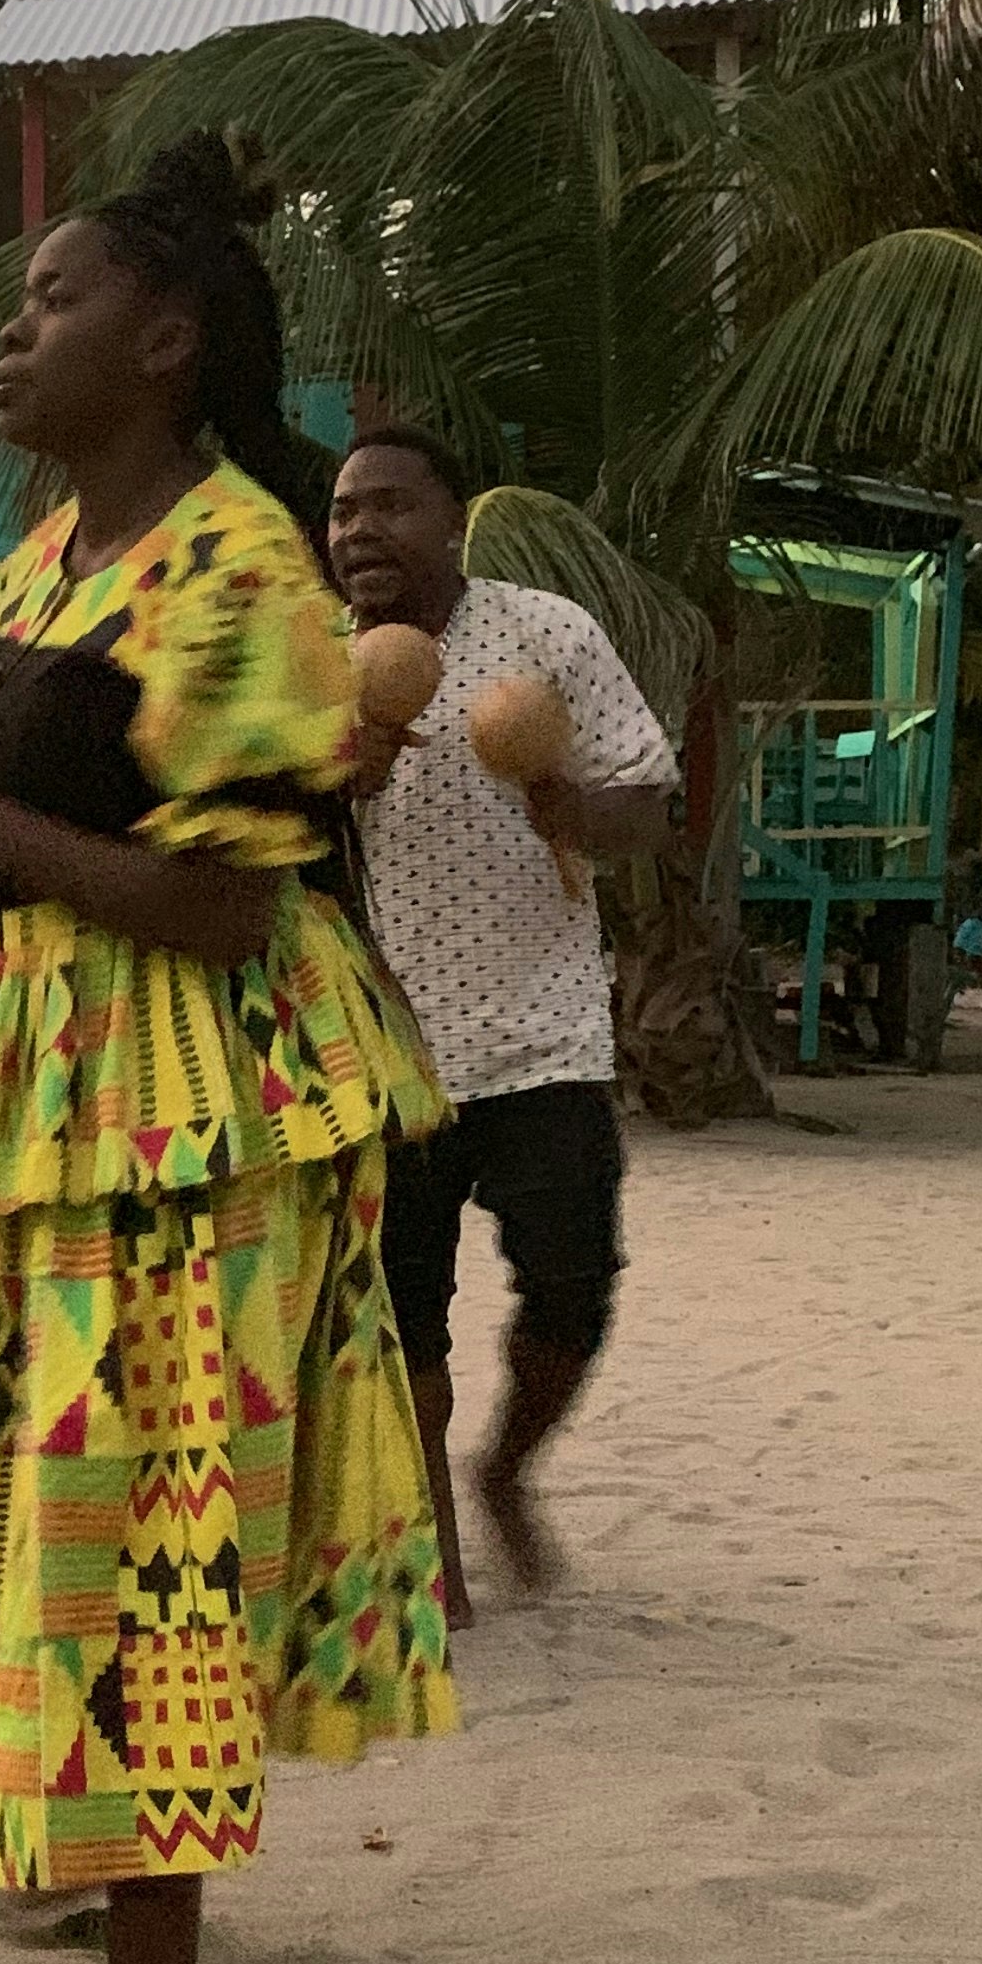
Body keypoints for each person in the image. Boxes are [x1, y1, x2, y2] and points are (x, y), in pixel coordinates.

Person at [0, 135, 456, 1964]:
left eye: (53, 300)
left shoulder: (248, 563)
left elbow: (230, 901)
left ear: (163, 341)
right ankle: (94, 1861)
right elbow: (35, 870)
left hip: (200, 1111)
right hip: (45, 1081)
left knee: (154, 1512)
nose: (12, 333)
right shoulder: (25, 568)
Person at [329, 424, 684, 1613]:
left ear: (452, 521)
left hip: (547, 1033)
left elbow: (648, 800)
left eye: (389, 507)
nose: (360, 532)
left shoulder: (546, 632)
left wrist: (565, 801)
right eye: (341, 512)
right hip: (383, 1047)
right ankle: (432, 1552)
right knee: (404, 1305)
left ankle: (505, 1472)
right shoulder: (318, 664)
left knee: (575, 1286)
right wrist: (342, 779)